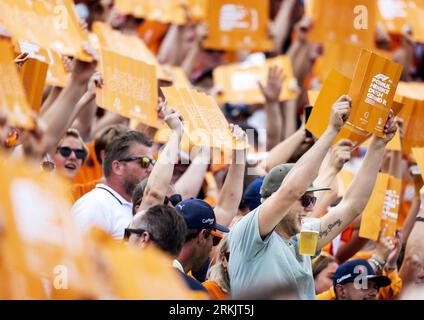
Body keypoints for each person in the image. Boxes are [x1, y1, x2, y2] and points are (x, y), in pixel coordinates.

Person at [227, 95, 397, 299]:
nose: (310, 208)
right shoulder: (249, 232)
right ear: (273, 199)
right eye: (305, 200)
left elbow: (353, 205)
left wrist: (379, 143)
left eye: (313, 200)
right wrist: (331, 131)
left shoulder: (302, 239)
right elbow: (291, 190)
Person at [72, 130, 153, 239]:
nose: (151, 169)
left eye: (153, 163)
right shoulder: (94, 204)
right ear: (117, 167)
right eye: (144, 162)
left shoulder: (134, 206)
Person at [125, 204, 208, 295]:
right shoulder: (197, 291)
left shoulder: (121, 281)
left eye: (128, 234)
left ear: (144, 238)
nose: (125, 241)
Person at [175, 198, 230, 289]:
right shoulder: (192, 289)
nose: (212, 247)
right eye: (214, 239)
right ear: (202, 235)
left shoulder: (147, 267)